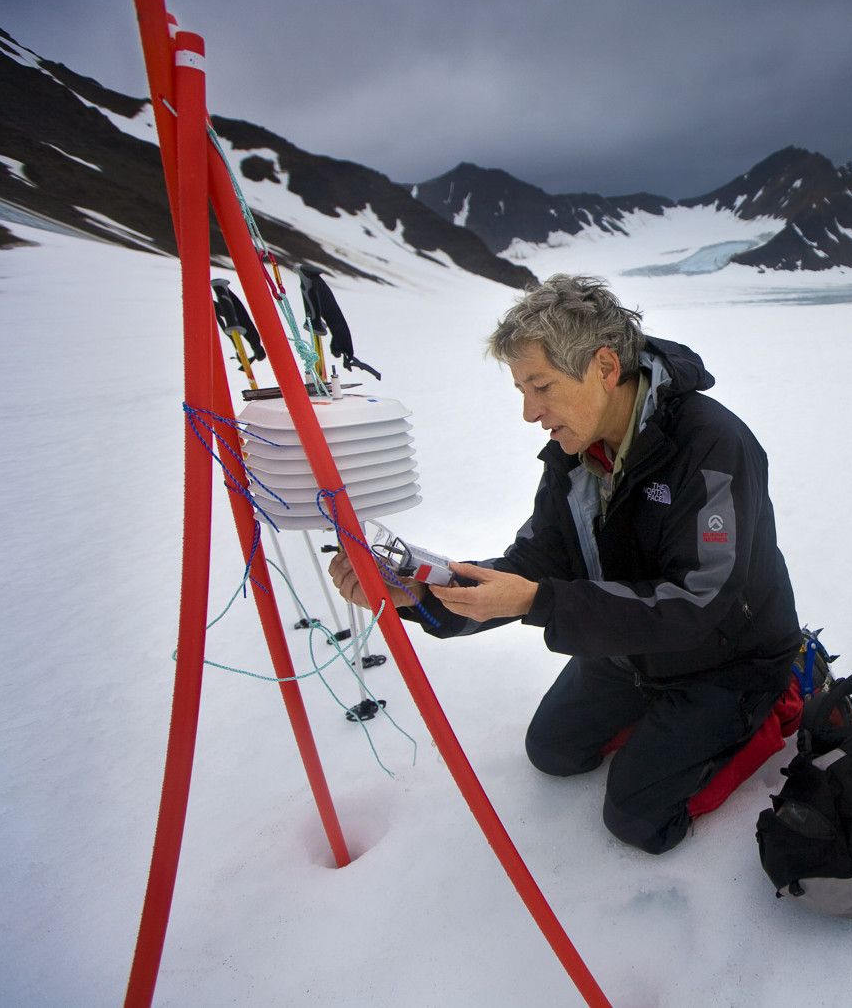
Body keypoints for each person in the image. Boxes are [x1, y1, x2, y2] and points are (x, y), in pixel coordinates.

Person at [329, 274, 801, 854]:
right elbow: (536, 559)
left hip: (727, 660)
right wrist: (423, 594)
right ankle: (663, 722)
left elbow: (698, 602)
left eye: (542, 386)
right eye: (522, 390)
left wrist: (541, 602)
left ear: (604, 367)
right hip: (630, 646)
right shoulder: (576, 450)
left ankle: (778, 703)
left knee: (639, 818)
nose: (530, 412)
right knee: (553, 751)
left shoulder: (712, 446)